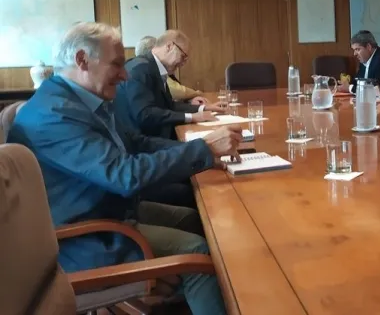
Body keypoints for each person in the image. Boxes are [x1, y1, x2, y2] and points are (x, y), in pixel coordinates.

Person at [7, 22, 242, 315]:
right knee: (198, 252)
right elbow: (125, 175)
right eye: (116, 64)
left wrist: (203, 149)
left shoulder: (77, 100)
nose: (125, 74)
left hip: (107, 209)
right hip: (84, 238)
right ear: (82, 60)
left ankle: (179, 291)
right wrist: (202, 150)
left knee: (194, 219)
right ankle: (187, 285)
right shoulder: (55, 115)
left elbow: (136, 143)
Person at [115, 30, 223, 141]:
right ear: (169, 46)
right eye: (183, 56)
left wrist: (204, 108)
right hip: (145, 142)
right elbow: (145, 114)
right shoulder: (140, 69)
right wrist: (192, 117)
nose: (183, 63)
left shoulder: (152, 66)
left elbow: (168, 106)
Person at [136, 35, 207, 104]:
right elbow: (177, 92)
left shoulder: (162, 70)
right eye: (182, 56)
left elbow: (169, 102)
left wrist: (190, 101)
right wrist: (196, 93)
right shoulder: (142, 72)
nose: (182, 64)